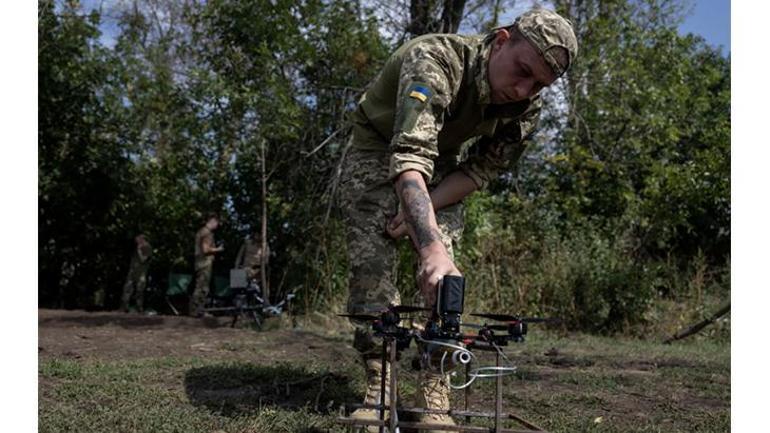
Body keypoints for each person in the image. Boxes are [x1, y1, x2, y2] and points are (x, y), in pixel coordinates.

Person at [338, 8, 578, 429]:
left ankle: (436, 381)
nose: (523, 89)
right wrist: (424, 242)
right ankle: (380, 381)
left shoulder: (526, 107)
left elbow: (479, 170)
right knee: (373, 263)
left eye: (539, 84)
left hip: (441, 165)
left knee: (445, 269)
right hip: (378, 149)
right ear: (501, 41)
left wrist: (426, 221)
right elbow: (409, 154)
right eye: (522, 71)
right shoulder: (435, 58)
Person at [190, 213, 224, 317]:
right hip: (205, 262)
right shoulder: (207, 233)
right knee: (202, 288)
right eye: (217, 223)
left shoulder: (201, 231)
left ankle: (197, 310)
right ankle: (197, 310)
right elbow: (205, 249)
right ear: (212, 222)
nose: (217, 226)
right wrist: (218, 249)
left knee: (200, 286)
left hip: (199, 262)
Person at [120, 234, 152, 313]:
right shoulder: (136, 247)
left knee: (139, 291)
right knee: (127, 289)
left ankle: (139, 308)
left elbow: (143, 260)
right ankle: (124, 308)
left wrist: (139, 251)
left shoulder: (147, 248)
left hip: (141, 274)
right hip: (132, 273)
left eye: (138, 240)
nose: (136, 242)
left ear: (142, 240)